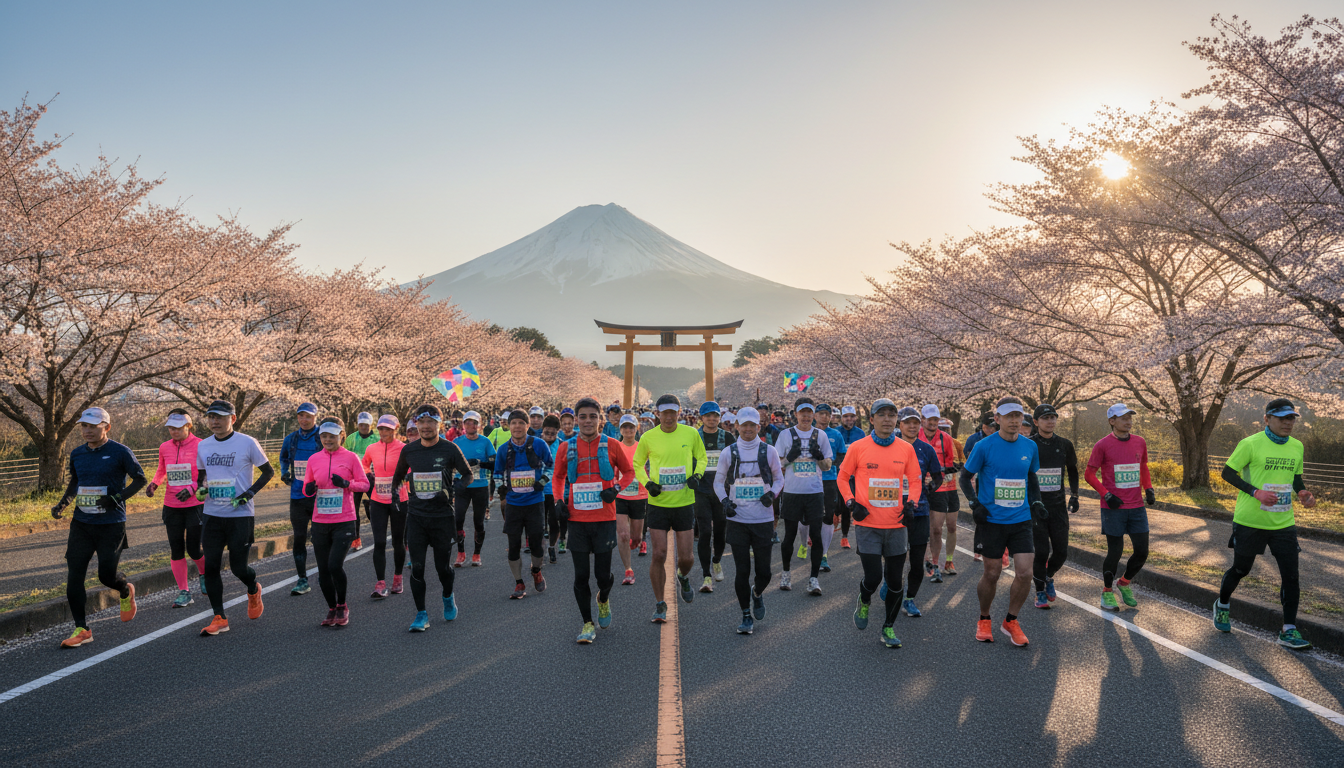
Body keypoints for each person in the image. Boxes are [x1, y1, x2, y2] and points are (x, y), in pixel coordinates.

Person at [1214, 399, 1315, 650]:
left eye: (1291, 418)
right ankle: (1222, 605)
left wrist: (1302, 492)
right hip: (1250, 521)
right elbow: (1227, 473)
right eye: (1282, 418)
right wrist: (1255, 492)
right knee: (1241, 569)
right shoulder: (1250, 443)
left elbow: (1295, 478)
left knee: (1291, 576)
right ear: (1267, 419)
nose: (1288, 423)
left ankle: (1288, 630)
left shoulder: (1297, 446)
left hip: (1283, 522)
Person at [52, 407, 146, 648]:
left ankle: (124, 589)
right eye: (84, 426)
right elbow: (76, 481)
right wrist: (64, 502)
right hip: (82, 523)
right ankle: (82, 628)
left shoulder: (120, 452)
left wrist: (116, 498)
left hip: (111, 524)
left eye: (93, 426)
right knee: (75, 575)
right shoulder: (77, 453)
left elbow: (140, 479)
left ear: (107, 427)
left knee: (106, 576)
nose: (87, 430)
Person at [958, 396, 1046, 646]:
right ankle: (984, 618)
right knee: (992, 572)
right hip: (992, 521)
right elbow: (964, 477)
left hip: (1021, 519)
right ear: (997, 419)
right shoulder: (984, 446)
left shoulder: (1030, 446)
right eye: (1009, 416)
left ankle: (1011, 620)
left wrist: (1036, 502)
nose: (1014, 421)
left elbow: (1032, 477)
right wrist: (974, 504)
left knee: (1025, 573)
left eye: (1018, 416)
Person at [837, 399, 922, 649]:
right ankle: (864, 600)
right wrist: (851, 502)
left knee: (895, 581)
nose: (887, 419)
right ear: (872, 419)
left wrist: (912, 504)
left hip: (896, 524)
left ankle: (888, 627)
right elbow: (843, 477)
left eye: (891, 415)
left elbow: (915, 480)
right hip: (868, 524)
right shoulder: (858, 447)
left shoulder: (906, 449)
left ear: (896, 420)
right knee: (873, 577)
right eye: (881, 414)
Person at [551, 398, 636, 643]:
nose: (588, 421)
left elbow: (629, 472)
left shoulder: (612, 444)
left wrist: (616, 489)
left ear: (600, 419)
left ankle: (603, 598)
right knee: (580, 576)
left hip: (604, 518)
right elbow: (558, 476)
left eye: (593, 416)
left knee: (603, 576)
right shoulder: (566, 447)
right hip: (577, 519)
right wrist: (558, 500)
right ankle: (587, 623)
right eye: (583, 417)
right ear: (576, 419)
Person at [194, 400, 274, 637]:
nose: (214, 421)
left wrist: (249, 493)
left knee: (239, 568)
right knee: (211, 567)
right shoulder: (203, 446)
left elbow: (268, 472)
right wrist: (201, 489)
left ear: (233, 418)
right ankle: (219, 617)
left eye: (220, 417)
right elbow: (202, 477)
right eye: (211, 417)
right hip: (212, 515)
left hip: (240, 515)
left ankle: (253, 588)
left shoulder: (247, 442)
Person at [392, 404, 473, 631]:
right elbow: (398, 477)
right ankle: (421, 614)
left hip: (442, 517)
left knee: (442, 568)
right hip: (416, 517)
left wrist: (453, 489)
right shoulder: (409, 450)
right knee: (417, 567)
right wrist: (395, 495)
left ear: (439, 424)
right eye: (422, 422)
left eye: (431, 422)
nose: (426, 426)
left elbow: (468, 475)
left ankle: (447, 596)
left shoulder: (450, 449)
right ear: (416, 424)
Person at [634, 394, 707, 622]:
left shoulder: (691, 433)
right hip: (658, 504)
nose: (668, 417)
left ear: (679, 412)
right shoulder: (648, 437)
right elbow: (637, 464)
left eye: (672, 413)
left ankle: (682, 577)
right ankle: (660, 604)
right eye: (664, 413)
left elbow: (702, 458)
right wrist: (647, 483)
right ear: (657, 413)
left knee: (687, 558)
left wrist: (697, 475)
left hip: (684, 503)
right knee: (659, 554)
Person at [714, 407, 784, 634]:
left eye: (751, 425)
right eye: (743, 425)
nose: (747, 429)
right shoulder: (728, 452)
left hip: (763, 519)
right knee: (742, 571)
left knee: (765, 573)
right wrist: (725, 501)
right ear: (737, 426)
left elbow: (779, 478)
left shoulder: (769, 451)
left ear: (758, 426)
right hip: (738, 519)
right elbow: (718, 482)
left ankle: (757, 592)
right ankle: (746, 615)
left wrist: (771, 494)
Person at [1085, 403, 1155, 611]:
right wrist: (1106, 494)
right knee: (1115, 552)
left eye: (1129, 417)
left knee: (1142, 551)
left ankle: (1124, 582)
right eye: (1123, 418)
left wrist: (1149, 488)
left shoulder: (1140, 442)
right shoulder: (1102, 445)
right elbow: (1089, 474)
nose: (1128, 421)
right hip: (1113, 508)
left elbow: (1143, 467)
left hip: (1137, 507)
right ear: (1112, 421)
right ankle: (1107, 592)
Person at [302, 418, 369, 626]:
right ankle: (331, 608)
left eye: (332, 436)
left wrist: (347, 484)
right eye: (324, 436)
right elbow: (306, 487)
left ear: (341, 436)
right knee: (323, 570)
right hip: (320, 521)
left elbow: (365, 485)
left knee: (334, 565)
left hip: (344, 520)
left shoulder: (351, 457)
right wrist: (309, 489)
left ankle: (342, 605)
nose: (328, 440)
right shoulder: (313, 459)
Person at [774, 397, 834, 595]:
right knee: (789, 535)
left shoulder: (820, 435)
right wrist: (789, 458)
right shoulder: (785, 434)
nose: (806, 416)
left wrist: (819, 457)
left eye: (809, 412)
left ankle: (813, 579)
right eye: (802, 412)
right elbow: (777, 464)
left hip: (814, 492)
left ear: (813, 414)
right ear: (796, 414)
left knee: (816, 535)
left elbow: (827, 466)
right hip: (793, 492)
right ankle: (786, 573)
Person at [145, 409, 204, 607]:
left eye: (178, 428)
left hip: (195, 504)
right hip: (172, 504)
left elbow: (206, 474)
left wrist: (192, 488)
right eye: (170, 428)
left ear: (189, 426)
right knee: (176, 548)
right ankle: (184, 591)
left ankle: (204, 574)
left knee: (194, 549)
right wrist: (154, 484)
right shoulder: (164, 447)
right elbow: (162, 470)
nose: (174, 431)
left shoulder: (201, 445)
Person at [887, 406, 942, 618]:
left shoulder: (926, 449)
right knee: (894, 559)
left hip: (919, 511)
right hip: (892, 511)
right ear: (899, 424)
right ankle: (889, 585)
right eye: (907, 422)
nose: (912, 426)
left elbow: (937, 476)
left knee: (917, 563)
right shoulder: (889, 446)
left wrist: (928, 489)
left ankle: (909, 599)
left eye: (916, 423)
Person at [494, 409, 552, 598]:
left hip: (535, 502)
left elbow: (550, 466)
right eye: (513, 423)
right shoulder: (503, 449)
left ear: (527, 426)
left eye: (521, 423)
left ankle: (536, 570)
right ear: (508, 426)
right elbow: (497, 473)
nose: (517, 426)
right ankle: (519, 582)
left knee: (536, 543)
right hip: (514, 503)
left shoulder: (539, 444)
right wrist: (501, 488)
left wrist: (542, 481)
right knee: (513, 545)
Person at [1028, 403, 1079, 609]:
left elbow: (1073, 470)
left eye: (1053, 417)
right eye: (1045, 418)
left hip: (1058, 507)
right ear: (1036, 421)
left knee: (1061, 552)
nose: (1050, 421)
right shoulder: (1029, 444)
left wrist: (1074, 495)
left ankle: (1048, 576)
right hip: (1036, 507)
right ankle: (1039, 592)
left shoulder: (1065, 444)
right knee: (1041, 552)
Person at [362, 414, 408, 597]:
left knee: (397, 541)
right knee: (379, 542)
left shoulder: (404, 448)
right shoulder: (372, 448)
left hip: (399, 500)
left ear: (395, 429)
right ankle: (380, 583)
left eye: (388, 429)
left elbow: (410, 470)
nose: (383, 432)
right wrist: (369, 475)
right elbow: (364, 465)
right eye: (381, 428)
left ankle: (398, 577)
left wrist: (401, 482)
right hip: (378, 500)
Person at [279, 402, 321, 596]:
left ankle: (325, 573)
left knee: (320, 538)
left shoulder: (322, 437)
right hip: (297, 495)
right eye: (301, 416)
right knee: (299, 538)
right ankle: (302, 579)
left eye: (308, 416)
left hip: (320, 496)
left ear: (315, 417)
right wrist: (284, 473)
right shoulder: (291, 439)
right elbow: (284, 458)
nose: (304, 420)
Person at [693, 401, 733, 593]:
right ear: (701, 418)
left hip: (721, 491)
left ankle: (717, 560)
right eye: (708, 415)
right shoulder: (695, 437)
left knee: (720, 530)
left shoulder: (727, 437)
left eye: (715, 415)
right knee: (705, 532)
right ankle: (706, 575)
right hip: (701, 491)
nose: (712, 419)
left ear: (720, 417)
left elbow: (736, 459)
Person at [920, 405, 961, 582]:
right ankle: (927, 561)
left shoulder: (947, 439)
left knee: (944, 527)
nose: (932, 423)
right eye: (929, 419)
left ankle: (941, 562)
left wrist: (941, 474)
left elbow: (954, 463)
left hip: (944, 488)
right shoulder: (915, 436)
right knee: (927, 528)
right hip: (921, 488)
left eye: (935, 419)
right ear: (922, 420)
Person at [452, 411, 496, 568]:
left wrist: (479, 463)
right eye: (468, 422)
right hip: (462, 486)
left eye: (474, 423)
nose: (471, 425)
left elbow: (494, 464)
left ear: (479, 425)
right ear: (463, 425)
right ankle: (461, 552)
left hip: (480, 486)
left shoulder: (485, 442)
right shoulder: (457, 442)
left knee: (478, 522)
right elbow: (450, 463)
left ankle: (477, 554)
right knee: (458, 519)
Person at [614, 414, 646, 584]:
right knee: (623, 535)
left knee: (636, 537)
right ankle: (628, 570)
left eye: (631, 427)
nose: (628, 430)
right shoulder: (616, 447)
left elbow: (649, 469)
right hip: (620, 495)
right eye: (625, 427)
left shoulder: (642, 448)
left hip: (639, 496)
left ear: (636, 429)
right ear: (620, 429)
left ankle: (638, 541)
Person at [963, 412, 998, 563]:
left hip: (995, 481)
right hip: (976, 478)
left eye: (994, 426)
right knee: (981, 513)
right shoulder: (974, 440)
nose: (991, 429)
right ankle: (979, 547)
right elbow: (967, 457)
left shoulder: (1000, 439)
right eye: (989, 426)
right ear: (983, 426)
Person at [814, 404, 846, 573]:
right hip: (809, 479)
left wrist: (830, 464)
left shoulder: (836, 434)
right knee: (806, 518)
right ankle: (806, 542)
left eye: (827, 414)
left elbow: (842, 455)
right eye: (821, 414)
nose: (825, 417)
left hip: (829, 479)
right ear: (815, 416)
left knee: (828, 516)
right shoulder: (807, 433)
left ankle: (823, 554)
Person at [343, 412, 379, 552]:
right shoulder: (351, 438)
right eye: (361, 425)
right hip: (355, 478)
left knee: (377, 507)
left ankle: (379, 534)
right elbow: (345, 456)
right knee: (353, 510)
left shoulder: (377, 438)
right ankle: (356, 540)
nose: (363, 427)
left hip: (372, 477)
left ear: (371, 425)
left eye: (366, 425)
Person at [540, 414, 565, 561]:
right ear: (542, 430)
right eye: (547, 432)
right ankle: (540, 548)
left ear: (558, 432)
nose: (549, 436)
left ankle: (551, 547)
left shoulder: (562, 445)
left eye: (553, 433)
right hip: (538, 490)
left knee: (554, 521)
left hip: (556, 490)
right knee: (539, 522)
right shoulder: (536, 443)